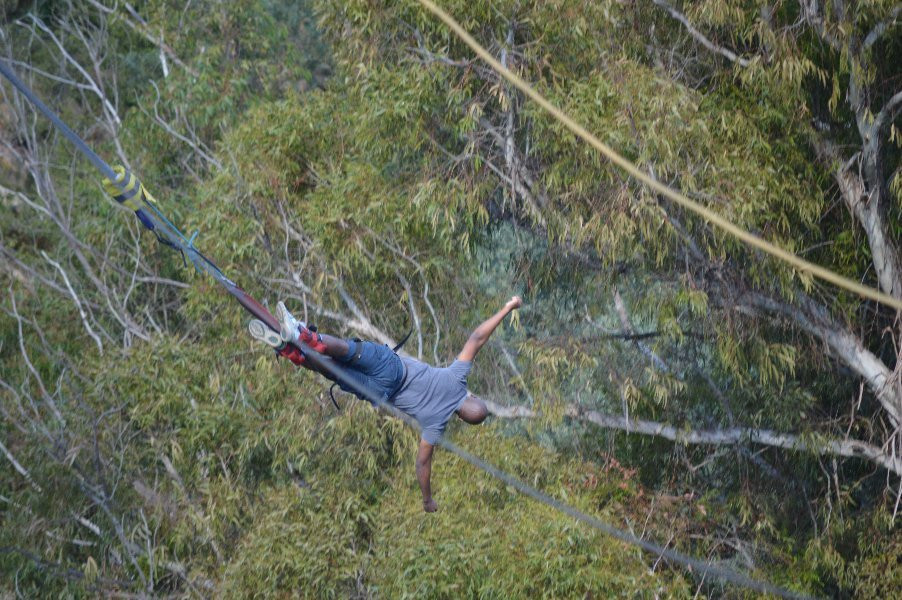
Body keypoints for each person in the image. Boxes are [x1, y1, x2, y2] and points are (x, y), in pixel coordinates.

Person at [247, 296, 524, 512]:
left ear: (471, 398)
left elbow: (477, 338)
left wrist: (507, 308)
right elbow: (422, 464)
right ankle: (289, 351)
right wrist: (427, 499)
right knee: (330, 370)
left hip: (392, 368)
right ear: (461, 418)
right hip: (380, 392)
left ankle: (304, 335)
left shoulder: (457, 378)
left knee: (348, 349)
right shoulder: (435, 426)